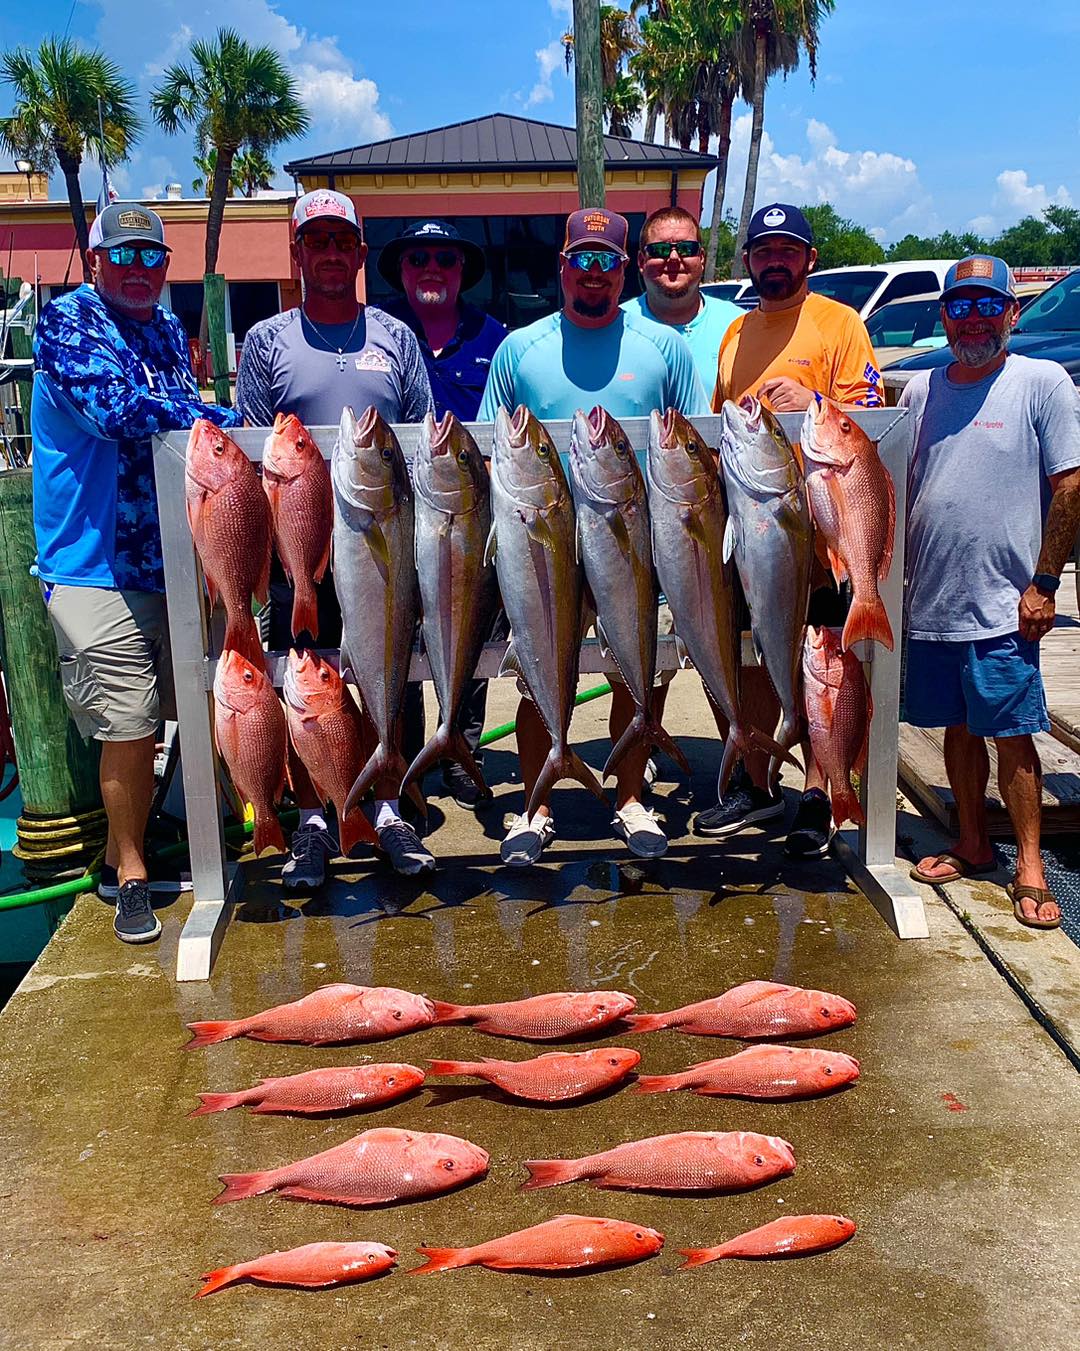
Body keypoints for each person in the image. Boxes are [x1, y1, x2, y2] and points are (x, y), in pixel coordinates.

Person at [32, 202, 241, 944]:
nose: (137, 270)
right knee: (128, 724)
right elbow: (118, 410)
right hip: (93, 567)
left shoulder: (160, 329)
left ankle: (213, 837)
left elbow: (184, 430)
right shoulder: (67, 324)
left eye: (151, 257)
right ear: (94, 262)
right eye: (122, 256)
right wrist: (213, 410)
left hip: (176, 557)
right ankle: (126, 869)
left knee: (210, 701)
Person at [478, 206, 709, 866]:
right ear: (563, 266)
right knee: (535, 676)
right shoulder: (518, 350)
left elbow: (696, 441)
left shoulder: (665, 348)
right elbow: (492, 453)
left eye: (607, 260)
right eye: (583, 259)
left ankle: (631, 798)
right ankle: (535, 805)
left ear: (624, 268)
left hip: (637, 546)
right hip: (543, 549)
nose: (594, 273)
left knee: (638, 679)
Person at [236, 189, 436, 881]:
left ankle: (388, 807)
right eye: (314, 240)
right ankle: (315, 819)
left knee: (390, 678)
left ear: (359, 253)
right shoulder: (265, 343)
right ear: (296, 253)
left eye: (340, 241)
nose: (328, 252)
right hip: (302, 560)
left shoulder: (397, 337)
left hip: (381, 546)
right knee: (304, 686)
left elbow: (419, 439)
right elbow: (256, 457)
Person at [699, 202, 883, 859]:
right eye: (763, 250)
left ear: (809, 258)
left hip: (825, 533)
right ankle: (756, 780)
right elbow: (721, 422)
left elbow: (869, 418)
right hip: (754, 527)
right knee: (750, 651)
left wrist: (814, 405)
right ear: (747, 259)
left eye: (788, 249)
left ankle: (816, 790)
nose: (774, 260)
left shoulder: (841, 324)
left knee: (824, 660)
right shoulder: (734, 333)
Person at [903, 256, 1080, 930]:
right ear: (944, 315)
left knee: (1011, 733)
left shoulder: (1042, 382)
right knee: (955, 728)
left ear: (1011, 311)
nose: (972, 317)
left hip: (1007, 602)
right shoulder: (921, 389)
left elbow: (1070, 485)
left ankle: (1029, 863)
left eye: (986, 305)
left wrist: (1044, 582)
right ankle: (972, 841)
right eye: (959, 305)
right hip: (933, 600)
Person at [378, 218, 509, 810]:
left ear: (462, 272)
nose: (432, 267)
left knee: (472, 625)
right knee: (399, 629)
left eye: (445, 259)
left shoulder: (496, 340)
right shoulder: (378, 335)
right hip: (392, 512)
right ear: (401, 271)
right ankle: (401, 753)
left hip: (468, 514)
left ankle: (463, 743)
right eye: (418, 258)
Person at [621, 205, 744, 394]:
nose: (673, 258)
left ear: (702, 258)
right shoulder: (617, 326)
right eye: (660, 249)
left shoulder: (739, 326)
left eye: (686, 249)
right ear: (641, 261)